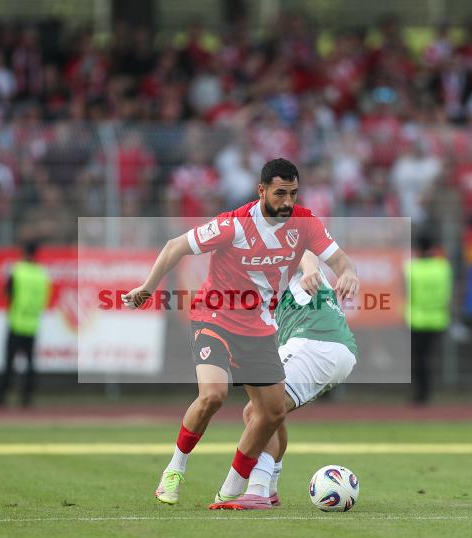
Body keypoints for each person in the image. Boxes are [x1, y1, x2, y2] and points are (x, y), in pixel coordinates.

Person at [123, 158, 359, 510]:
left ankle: (232, 491)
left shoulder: (304, 223)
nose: (287, 202)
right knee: (213, 396)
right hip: (214, 318)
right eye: (280, 193)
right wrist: (147, 287)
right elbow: (175, 246)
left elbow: (337, 260)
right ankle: (175, 468)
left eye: (293, 193)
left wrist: (348, 273)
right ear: (261, 191)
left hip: (260, 328)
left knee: (272, 412)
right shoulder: (234, 225)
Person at [222, 251, 358, 508]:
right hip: (331, 347)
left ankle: (258, 490)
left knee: (257, 412)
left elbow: (305, 254)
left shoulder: (273, 253)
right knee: (270, 411)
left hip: (317, 341)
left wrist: (309, 271)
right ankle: (269, 489)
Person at [0, 240, 52, 408]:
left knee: (9, 362)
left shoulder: (18, 271)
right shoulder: (41, 274)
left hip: (17, 322)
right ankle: (27, 397)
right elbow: (45, 298)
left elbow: (7, 293)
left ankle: (1, 396)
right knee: (30, 364)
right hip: (33, 323)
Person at [405, 232, 452, 405]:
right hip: (438, 318)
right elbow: (448, 294)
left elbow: (405, 293)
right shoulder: (443, 268)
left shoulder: (411, 268)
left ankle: (420, 393)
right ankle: (425, 391)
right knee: (426, 358)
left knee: (418, 359)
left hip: (416, 318)